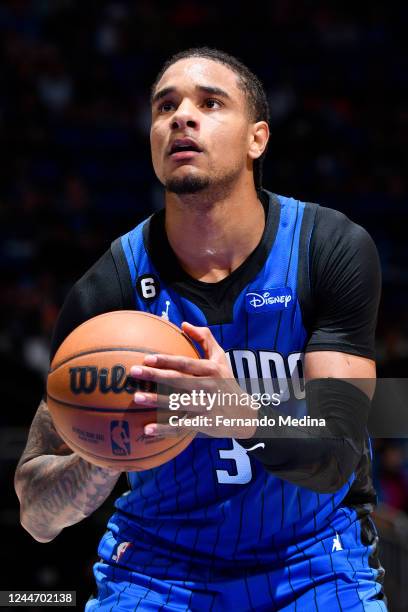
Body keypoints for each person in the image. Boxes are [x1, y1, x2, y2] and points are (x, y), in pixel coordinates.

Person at [14, 47, 387, 611]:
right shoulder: (109, 291)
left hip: (315, 561)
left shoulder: (327, 249)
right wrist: (103, 449)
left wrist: (235, 413)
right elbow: (37, 517)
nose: (181, 117)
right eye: (166, 106)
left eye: (210, 103)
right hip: (154, 570)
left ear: (257, 139)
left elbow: (336, 448)